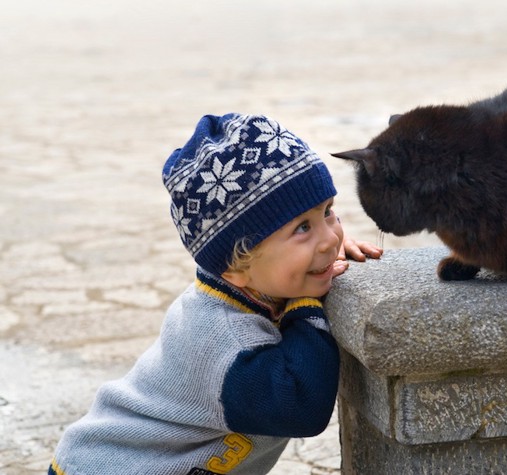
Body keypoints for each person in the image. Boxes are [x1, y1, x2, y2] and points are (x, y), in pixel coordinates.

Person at [48, 113, 383, 475]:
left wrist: (314, 251)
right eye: (303, 227)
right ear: (237, 266)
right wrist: (306, 303)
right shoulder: (224, 340)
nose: (332, 238)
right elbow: (301, 406)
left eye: (329, 212)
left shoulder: (252, 284)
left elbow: (306, 247)